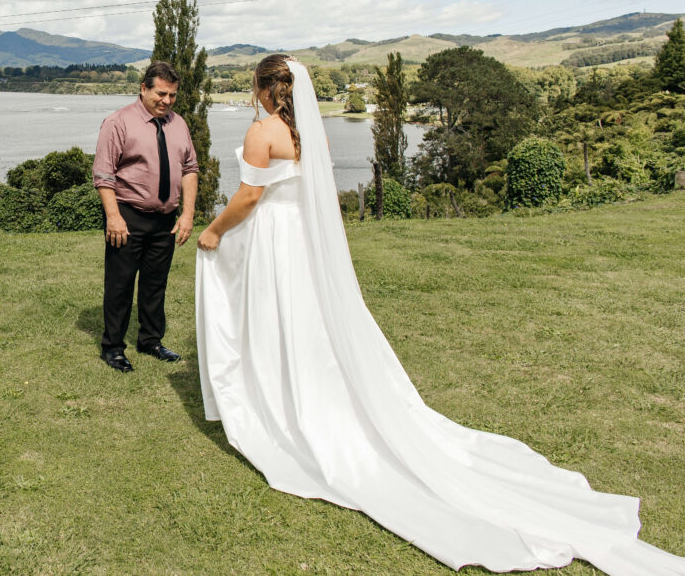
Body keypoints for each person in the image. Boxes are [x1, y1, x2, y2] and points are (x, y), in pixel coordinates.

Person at [195, 54, 685, 574]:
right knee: (312, 325)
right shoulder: (311, 135)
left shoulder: (261, 132)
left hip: (274, 239)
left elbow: (249, 197)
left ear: (266, 87)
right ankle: (310, 395)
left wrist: (214, 231)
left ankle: (284, 403)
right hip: (305, 244)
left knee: (278, 321)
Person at [92, 61, 198, 373]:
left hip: (165, 219)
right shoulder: (118, 122)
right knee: (120, 285)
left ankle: (150, 340)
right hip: (127, 216)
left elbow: (190, 168)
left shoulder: (179, 124)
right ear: (144, 88)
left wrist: (188, 214)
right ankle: (113, 347)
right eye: (161, 94)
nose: (167, 101)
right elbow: (103, 174)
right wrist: (113, 216)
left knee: (155, 285)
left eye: (173, 96)